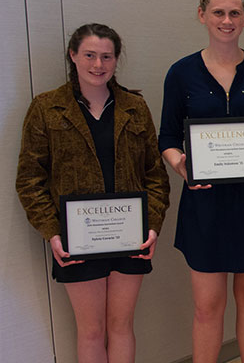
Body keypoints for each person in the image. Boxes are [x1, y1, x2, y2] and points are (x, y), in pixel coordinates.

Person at [16, 23, 170, 362]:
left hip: (130, 238)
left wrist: (152, 225)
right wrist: (52, 233)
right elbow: (30, 178)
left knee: (121, 326)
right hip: (76, 240)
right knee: (90, 330)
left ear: (116, 60)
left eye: (106, 56)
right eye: (89, 55)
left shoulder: (134, 107)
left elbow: (155, 176)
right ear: (73, 56)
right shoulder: (46, 108)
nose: (98, 65)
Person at [158, 0, 244, 363]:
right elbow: (167, 135)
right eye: (218, 12)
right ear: (202, 16)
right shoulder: (181, 73)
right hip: (205, 205)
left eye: (234, 13)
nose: (226, 20)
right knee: (207, 307)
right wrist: (182, 166)